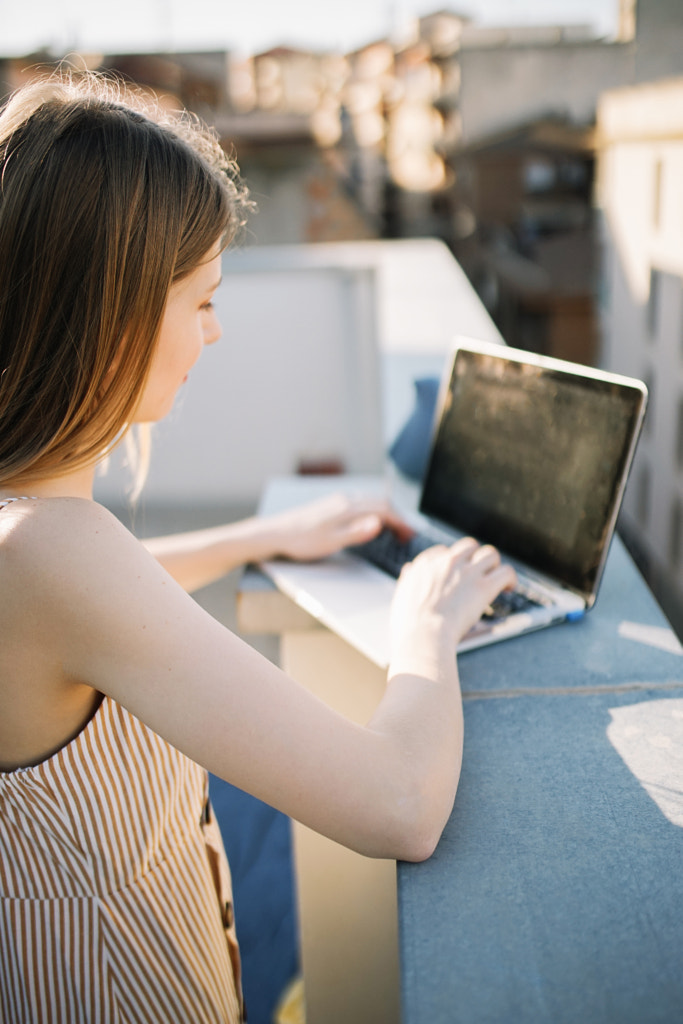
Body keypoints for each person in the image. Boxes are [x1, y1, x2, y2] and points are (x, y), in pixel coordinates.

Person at [0, 70, 516, 1023]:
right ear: (106, 313)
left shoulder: (34, 541)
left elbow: (83, 612)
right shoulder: (57, 551)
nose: (215, 331)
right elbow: (398, 806)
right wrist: (424, 628)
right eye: (199, 300)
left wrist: (264, 535)